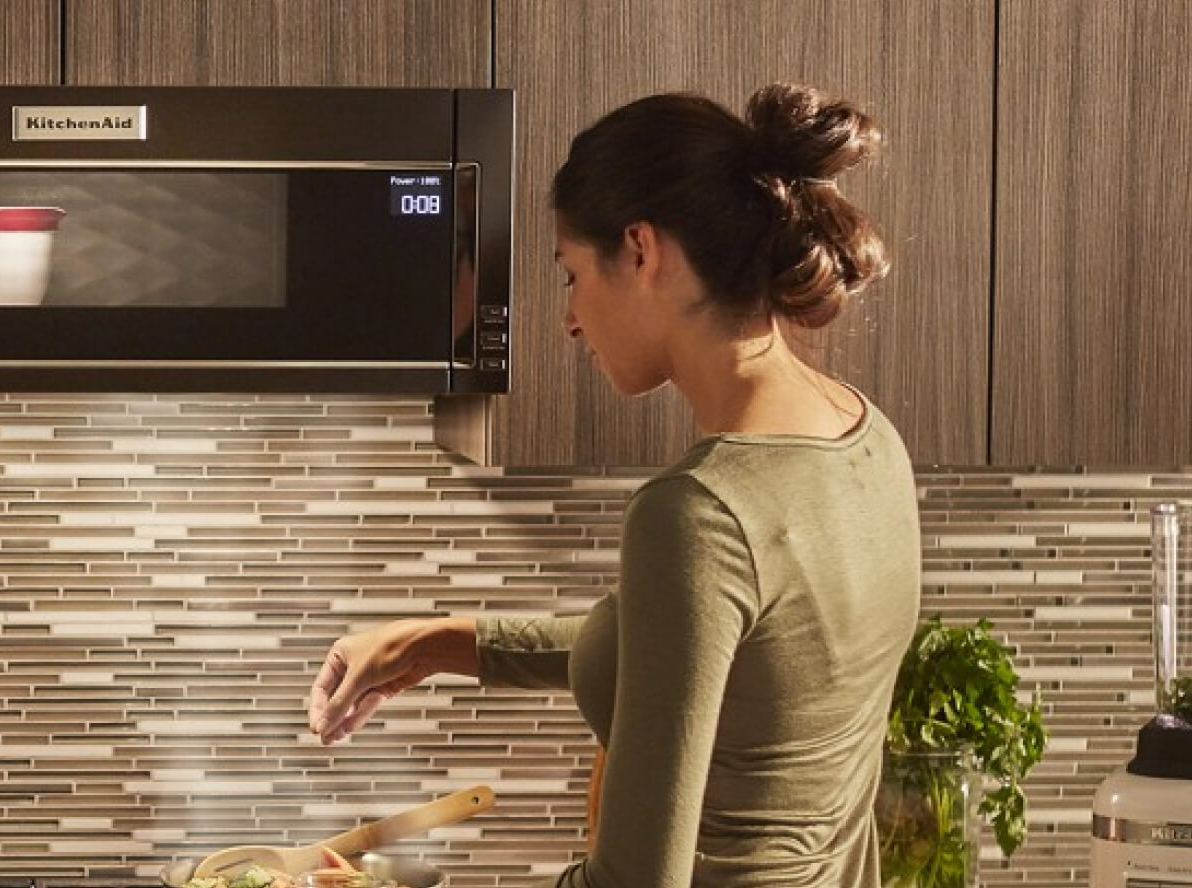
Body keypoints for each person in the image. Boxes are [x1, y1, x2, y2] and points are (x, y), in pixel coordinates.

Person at [304, 83, 923, 888]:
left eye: (570, 274)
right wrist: (438, 643)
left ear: (640, 250)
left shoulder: (699, 513)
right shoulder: (866, 437)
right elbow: (706, 656)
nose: (568, 319)